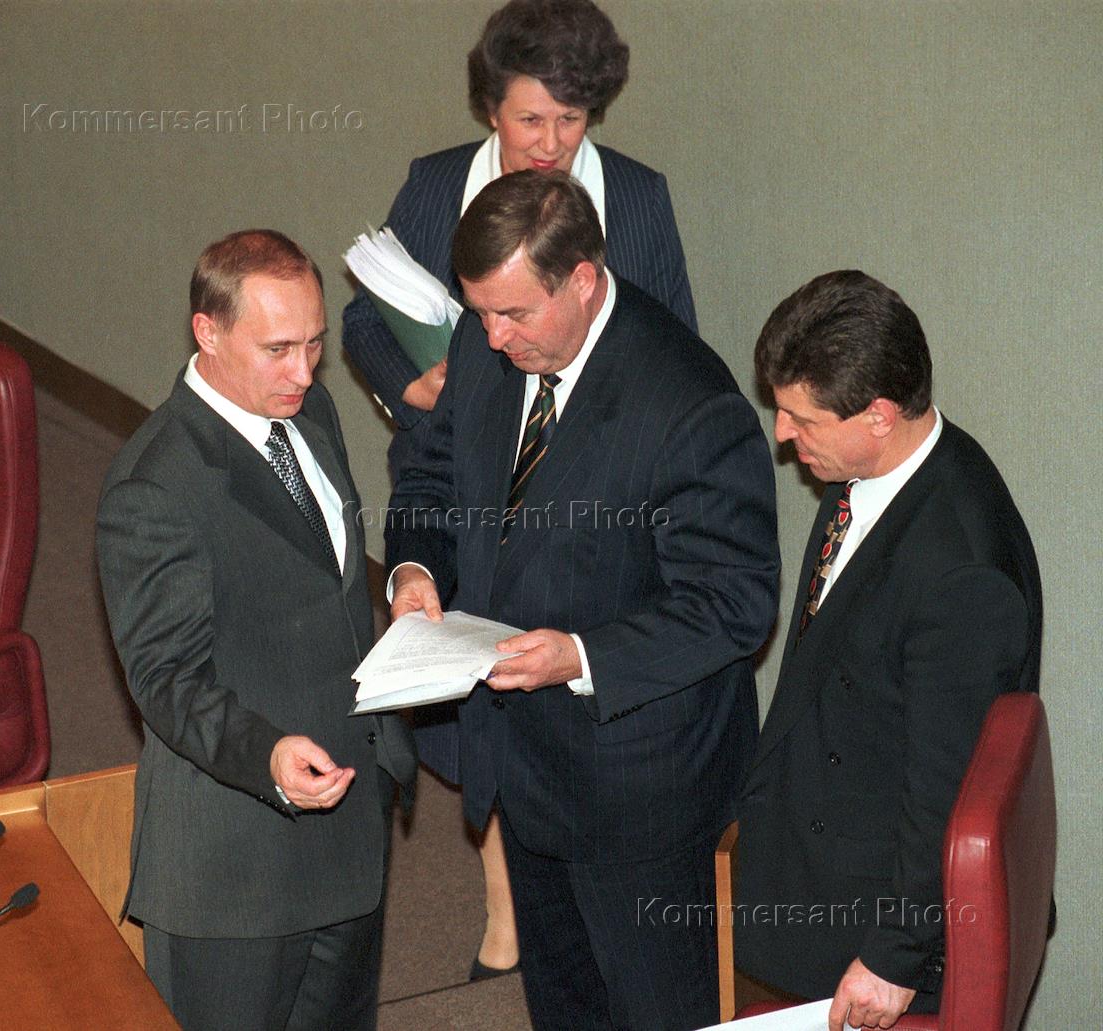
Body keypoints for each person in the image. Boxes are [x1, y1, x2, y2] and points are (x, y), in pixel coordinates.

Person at [343, 0, 697, 979]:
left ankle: (569, 894)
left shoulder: (636, 199)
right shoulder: (435, 185)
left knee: (554, 683)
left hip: (581, 493)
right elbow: (366, 318)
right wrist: (410, 385)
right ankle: (505, 909)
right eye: (529, 119)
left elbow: (676, 350)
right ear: (490, 106)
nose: (550, 143)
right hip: (456, 472)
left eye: (570, 120)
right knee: (473, 694)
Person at [386, 171, 779, 1030]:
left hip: (638, 793)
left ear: (585, 281)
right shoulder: (489, 343)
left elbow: (735, 600)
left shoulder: (688, 403)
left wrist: (582, 655)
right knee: (563, 1003)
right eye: (481, 313)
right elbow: (430, 477)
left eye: (514, 314)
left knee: (654, 1008)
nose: (493, 338)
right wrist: (414, 569)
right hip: (523, 764)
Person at [95, 229, 416, 1031]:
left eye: (315, 344)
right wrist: (268, 754)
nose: (304, 372)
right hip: (235, 867)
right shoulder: (154, 485)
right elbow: (167, 679)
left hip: (348, 823)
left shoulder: (312, 414)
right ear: (208, 332)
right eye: (278, 349)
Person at [735, 270, 1042, 1031]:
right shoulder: (876, 472)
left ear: (878, 414)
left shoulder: (960, 573)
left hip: (869, 921)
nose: (782, 434)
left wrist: (893, 959)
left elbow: (943, 789)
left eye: (801, 417)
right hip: (819, 841)